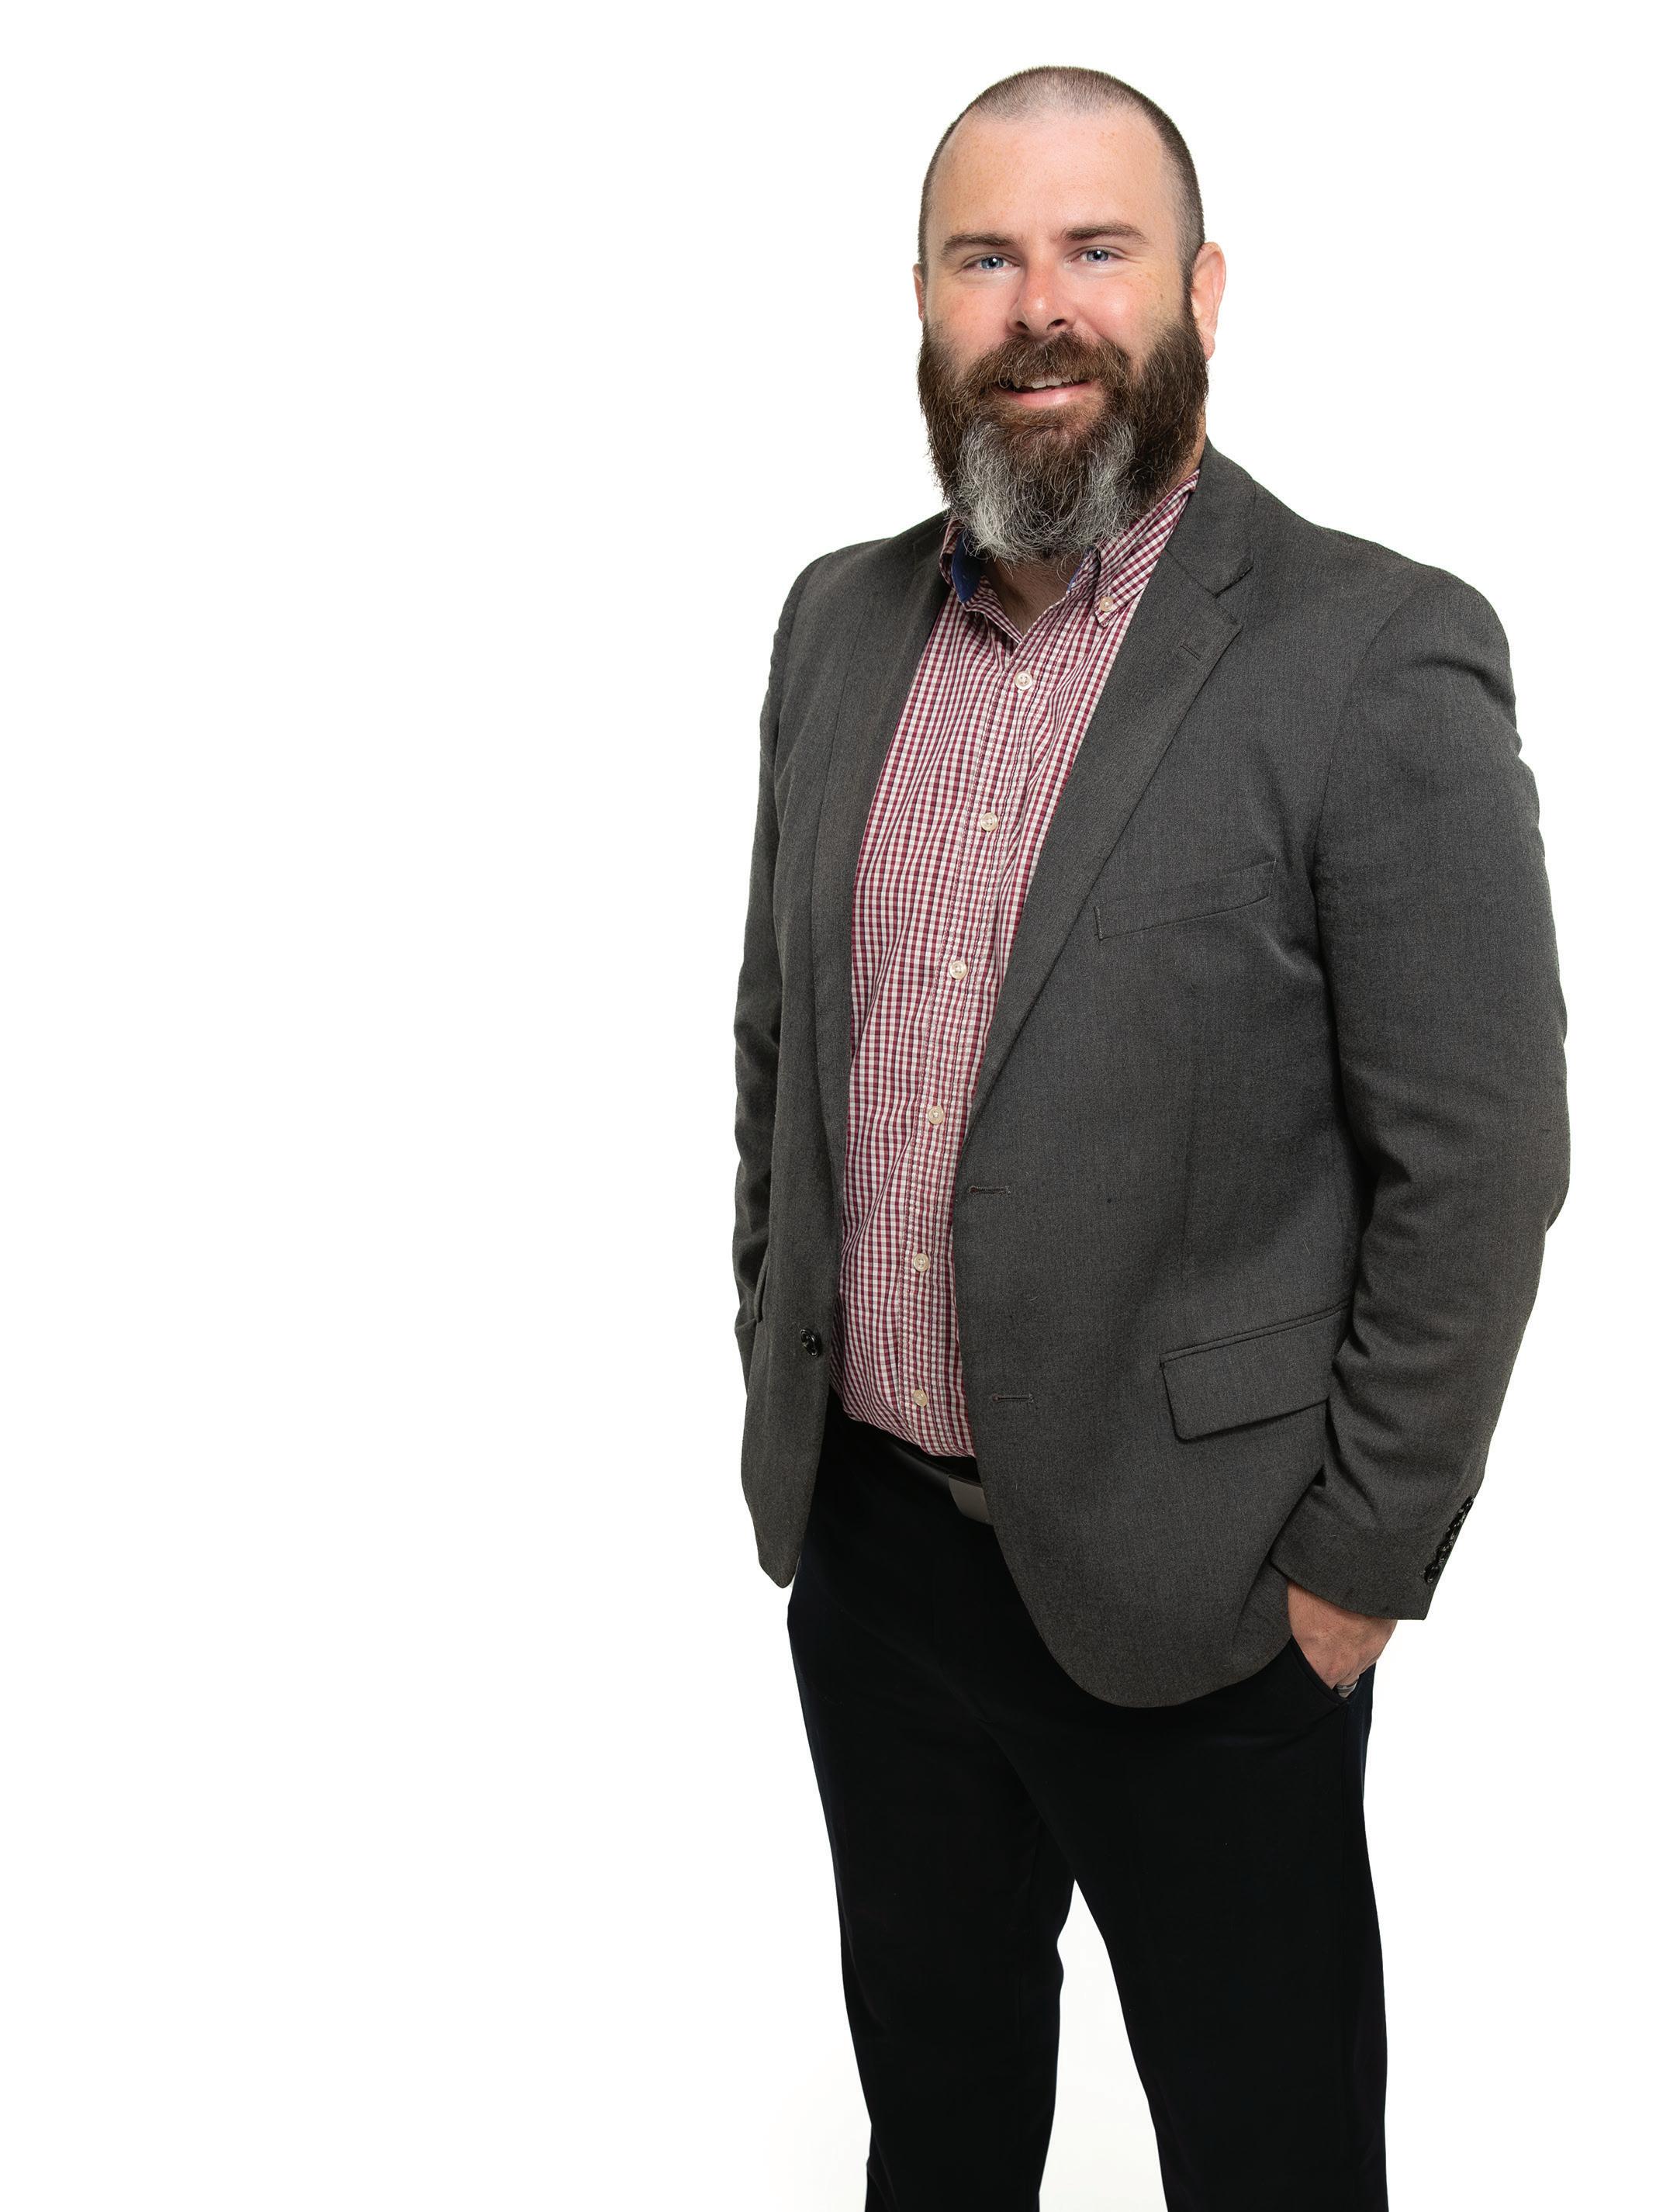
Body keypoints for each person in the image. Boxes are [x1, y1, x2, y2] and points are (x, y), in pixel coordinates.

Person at [729, 64, 1568, 2212]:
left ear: (1198, 292)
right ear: (924, 304)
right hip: (878, 1568)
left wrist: (1351, 1574)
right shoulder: (834, 622)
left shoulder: (1372, 649)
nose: (1041, 307)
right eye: (985, 257)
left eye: (1097, 250)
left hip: (1208, 1601)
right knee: (938, 2136)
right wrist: (783, 1371)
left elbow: (1481, 1157)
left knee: (1271, 2165)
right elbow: (779, 1044)